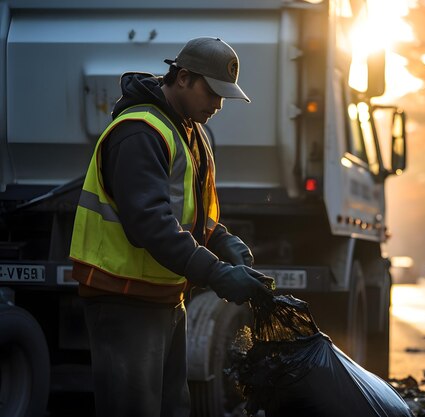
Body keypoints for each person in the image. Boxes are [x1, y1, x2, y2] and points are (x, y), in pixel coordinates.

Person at [69, 37, 274, 417]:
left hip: (163, 300)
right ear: (182, 77)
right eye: (212, 92)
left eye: (224, 97)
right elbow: (150, 223)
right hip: (124, 301)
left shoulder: (187, 130)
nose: (217, 105)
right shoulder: (140, 132)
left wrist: (221, 239)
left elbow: (185, 213)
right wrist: (216, 273)